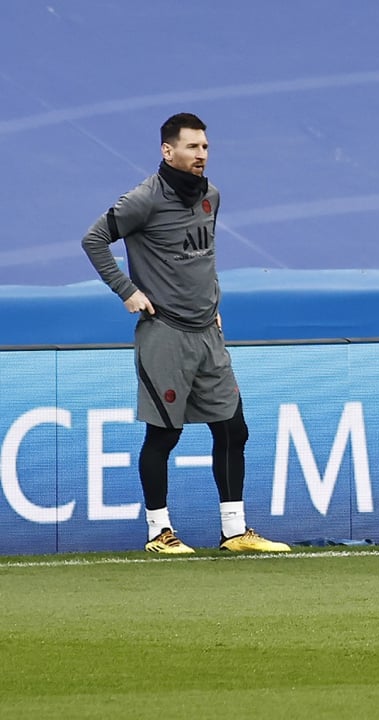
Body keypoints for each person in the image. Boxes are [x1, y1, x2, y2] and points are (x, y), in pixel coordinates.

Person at [81, 112, 290, 555]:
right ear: (167, 150)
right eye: (192, 146)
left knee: (232, 429)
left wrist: (213, 303)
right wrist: (127, 290)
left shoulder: (211, 197)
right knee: (164, 435)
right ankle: (159, 532)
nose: (201, 154)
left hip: (207, 333)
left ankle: (234, 532)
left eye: (205, 146)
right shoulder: (144, 200)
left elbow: (204, 256)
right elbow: (94, 239)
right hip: (165, 333)